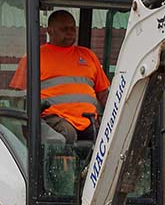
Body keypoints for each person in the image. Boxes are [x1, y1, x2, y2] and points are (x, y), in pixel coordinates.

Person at [10, 9, 111, 143]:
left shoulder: (88, 56)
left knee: (107, 138)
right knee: (66, 135)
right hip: (54, 118)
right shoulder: (34, 57)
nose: (70, 32)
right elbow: (17, 98)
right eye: (64, 29)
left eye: (72, 29)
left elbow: (104, 93)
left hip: (89, 121)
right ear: (50, 31)